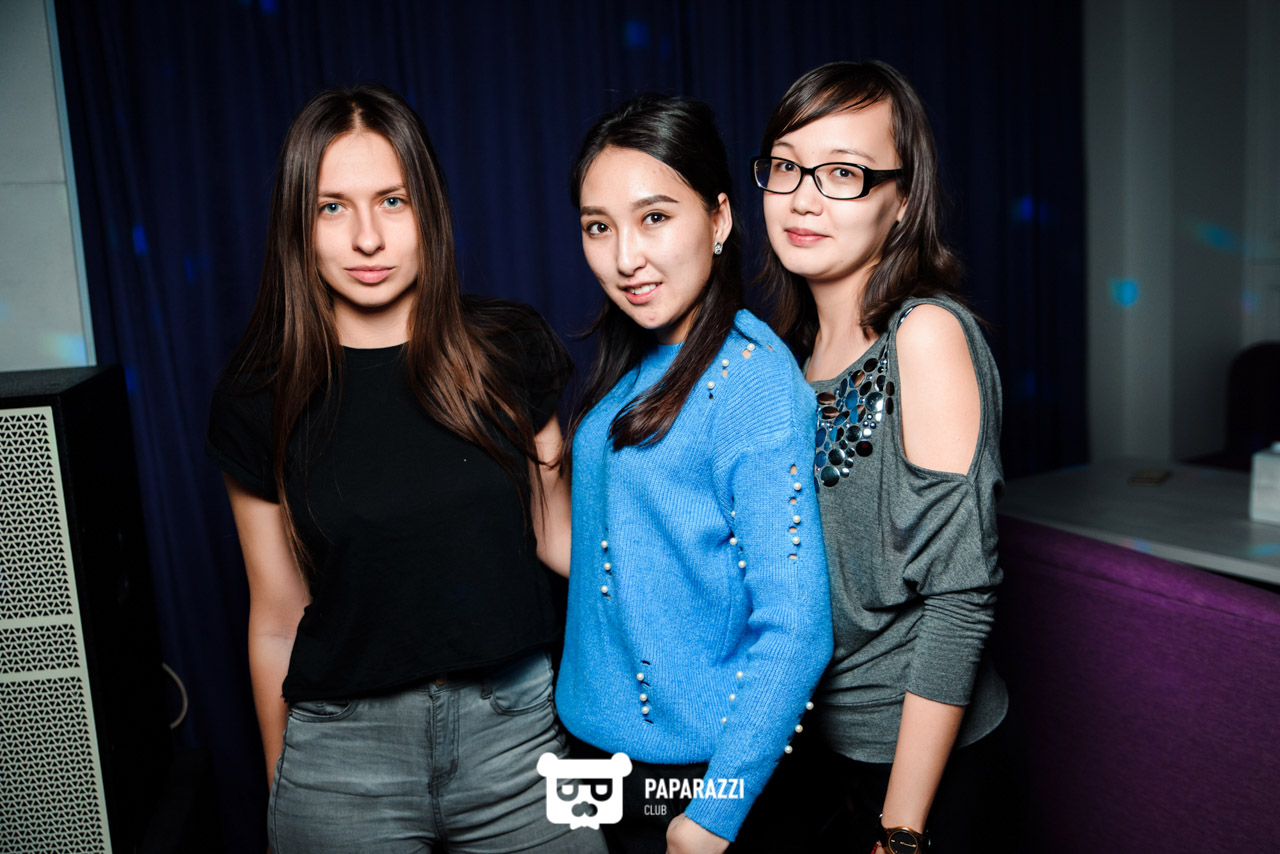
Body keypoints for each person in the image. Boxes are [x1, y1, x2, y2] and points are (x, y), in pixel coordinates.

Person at [206, 84, 603, 853]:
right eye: (332, 207)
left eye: (392, 201)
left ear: (429, 209)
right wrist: (283, 789)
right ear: (298, 225)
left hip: (518, 739)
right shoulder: (260, 395)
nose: (367, 238)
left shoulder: (508, 347)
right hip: (341, 763)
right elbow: (276, 619)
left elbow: (566, 539)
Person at [552, 94, 833, 854]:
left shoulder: (752, 383)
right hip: (596, 763)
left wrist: (714, 814)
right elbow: (612, 557)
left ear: (719, 219)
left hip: (692, 778)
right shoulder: (636, 364)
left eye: (654, 217)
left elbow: (799, 628)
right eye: (598, 227)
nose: (625, 257)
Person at [750, 61, 1009, 853]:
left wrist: (900, 833)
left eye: (843, 173)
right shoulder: (782, 358)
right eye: (786, 166)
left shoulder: (923, 337)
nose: (803, 198)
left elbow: (960, 601)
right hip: (810, 756)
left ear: (901, 201)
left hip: (916, 773)